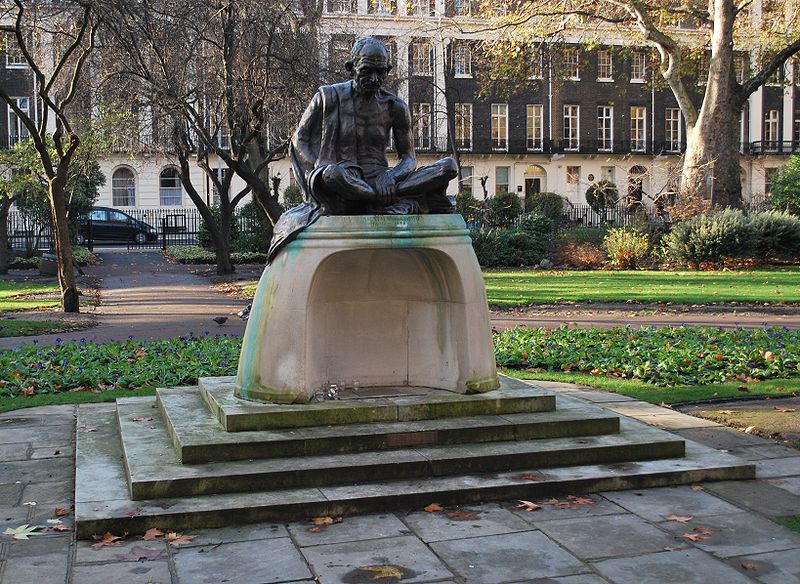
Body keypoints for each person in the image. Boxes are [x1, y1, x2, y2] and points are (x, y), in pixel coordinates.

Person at [268, 36, 458, 261]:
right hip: (344, 179)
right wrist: (316, 172)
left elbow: (408, 158)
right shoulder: (327, 97)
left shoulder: (395, 107)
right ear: (351, 68)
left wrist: (390, 177)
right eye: (367, 71)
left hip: (383, 182)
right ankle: (374, 199)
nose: (375, 79)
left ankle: (372, 199)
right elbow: (300, 141)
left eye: (381, 72)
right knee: (331, 175)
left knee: (448, 166)